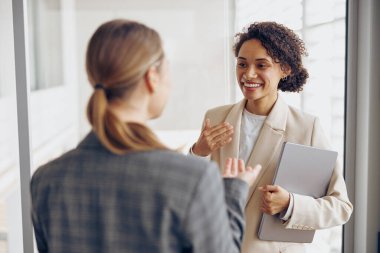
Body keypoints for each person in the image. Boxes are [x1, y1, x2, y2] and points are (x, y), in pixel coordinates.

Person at [30, 19, 262, 253]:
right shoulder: (191, 179)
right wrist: (234, 193)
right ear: (152, 77)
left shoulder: (45, 179)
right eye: (167, 69)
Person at [190, 21, 353, 252]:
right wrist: (198, 152)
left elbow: (340, 207)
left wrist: (290, 204)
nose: (249, 74)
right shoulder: (215, 117)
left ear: (285, 69)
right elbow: (191, 192)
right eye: (242, 64)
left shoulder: (307, 128)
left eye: (261, 65)